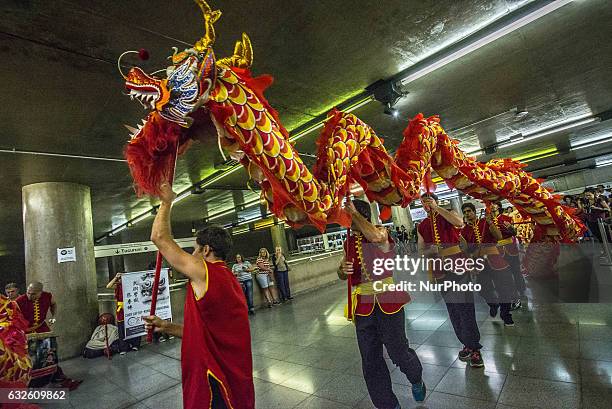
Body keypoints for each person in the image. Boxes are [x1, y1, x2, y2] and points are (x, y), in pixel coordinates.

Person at [149, 181, 254, 409]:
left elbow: (159, 237)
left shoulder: (206, 273)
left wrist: (167, 201)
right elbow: (205, 336)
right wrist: (166, 327)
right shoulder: (230, 280)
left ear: (206, 250)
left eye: (195, 249)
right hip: (232, 376)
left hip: (214, 380)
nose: (192, 254)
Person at [338, 198, 426, 407]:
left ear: (361, 215)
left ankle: (416, 377)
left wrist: (355, 214)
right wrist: (342, 271)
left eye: (350, 217)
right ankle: (387, 404)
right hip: (363, 307)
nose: (348, 222)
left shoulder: (381, 232)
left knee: (398, 351)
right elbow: (341, 271)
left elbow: (376, 238)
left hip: (388, 300)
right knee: (370, 359)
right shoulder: (348, 242)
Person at [417, 193, 484, 368]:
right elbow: (421, 251)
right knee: (453, 310)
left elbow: (459, 223)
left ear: (436, 202)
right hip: (440, 271)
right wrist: (430, 250)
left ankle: (475, 348)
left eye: (429, 202)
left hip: (459, 268)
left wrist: (437, 208)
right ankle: (466, 343)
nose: (427, 205)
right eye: (423, 203)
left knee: (465, 309)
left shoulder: (449, 214)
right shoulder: (422, 225)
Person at [15, 282, 82, 390]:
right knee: (31, 356)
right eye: (28, 293)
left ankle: (53, 375)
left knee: (50, 352)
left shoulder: (47, 296)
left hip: (42, 328)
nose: (30, 296)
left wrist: (53, 316)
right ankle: (32, 381)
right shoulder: (19, 301)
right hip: (26, 331)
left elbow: (54, 304)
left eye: (33, 294)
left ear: (40, 293)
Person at [460, 203, 515, 326]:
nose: (467, 214)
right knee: (483, 290)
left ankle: (506, 314)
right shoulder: (463, 232)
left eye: (469, 211)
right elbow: (465, 251)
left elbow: (499, 237)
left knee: (504, 289)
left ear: (474, 211)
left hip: (496, 260)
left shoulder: (486, 222)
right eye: (464, 212)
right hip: (479, 263)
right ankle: (493, 303)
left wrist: (491, 224)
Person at [490, 201, 525, 310]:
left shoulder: (506, 218)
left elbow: (514, 233)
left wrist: (510, 228)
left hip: (510, 248)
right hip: (498, 250)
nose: (491, 207)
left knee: (516, 271)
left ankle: (521, 289)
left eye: (493, 206)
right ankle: (512, 295)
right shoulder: (489, 221)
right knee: (505, 274)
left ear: (499, 207)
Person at [106, 272, 140, 353]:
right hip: (121, 309)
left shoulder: (132, 285)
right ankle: (123, 348)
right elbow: (108, 286)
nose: (122, 279)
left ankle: (135, 344)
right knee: (121, 329)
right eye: (121, 278)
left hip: (132, 308)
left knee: (134, 325)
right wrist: (115, 277)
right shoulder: (117, 285)